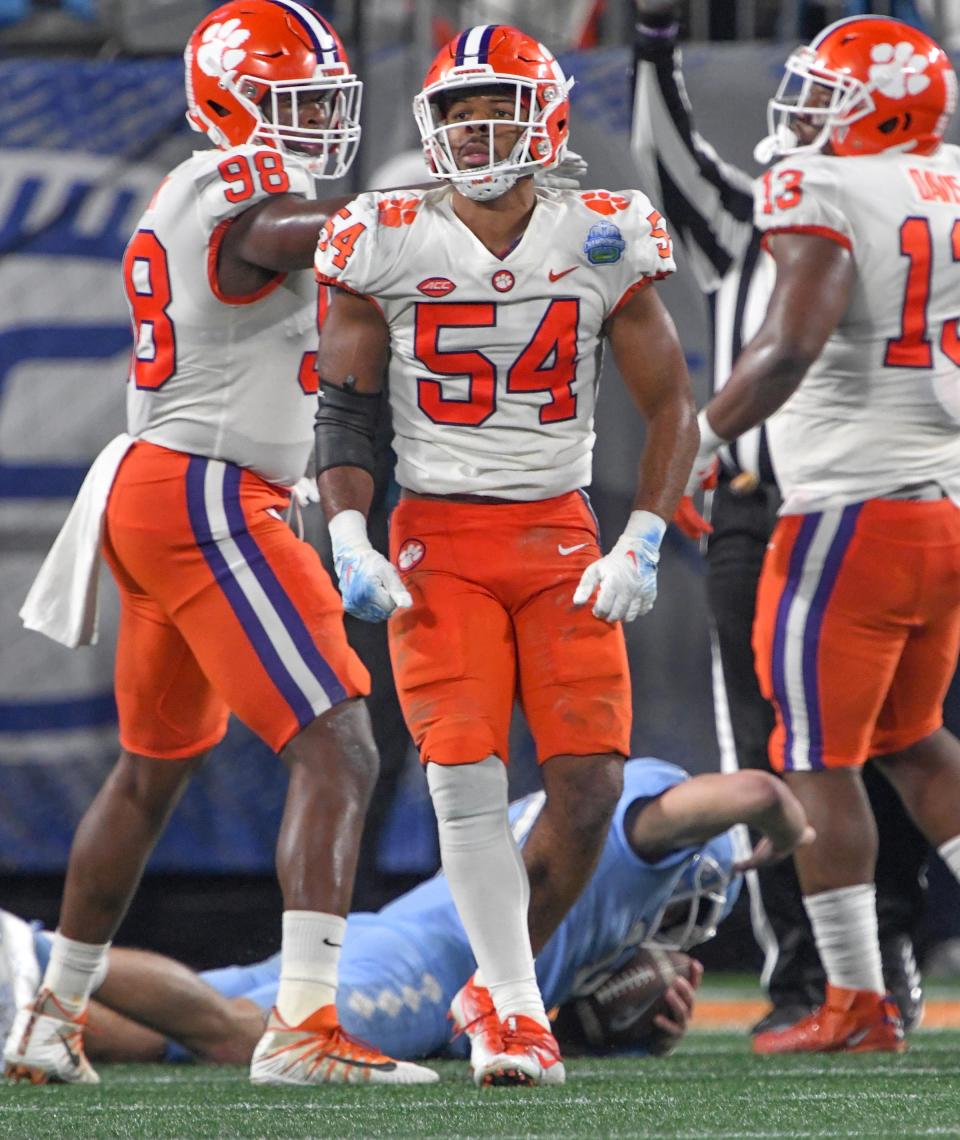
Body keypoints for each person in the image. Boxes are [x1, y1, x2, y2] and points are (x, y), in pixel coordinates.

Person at [4, 0, 442, 1088]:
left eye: (323, 104)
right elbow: (300, 239)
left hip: (171, 493)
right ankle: (303, 1029)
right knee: (339, 741)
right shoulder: (232, 190)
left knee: (153, 773)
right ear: (228, 103)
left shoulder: (213, 186)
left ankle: (51, 1019)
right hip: (206, 498)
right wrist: (435, 214)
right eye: (291, 103)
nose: (314, 124)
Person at [311, 23, 699, 1086]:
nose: (477, 131)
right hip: (439, 532)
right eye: (458, 112)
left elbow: (671, 407)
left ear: (549, 118)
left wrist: (643, 539)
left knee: (588, 786)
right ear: (430, 127)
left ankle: (497, 979)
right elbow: (342, 411)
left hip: (561, 529)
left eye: (498, 109)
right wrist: (348, 532)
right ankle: (520, 1009)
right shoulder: (382, 233)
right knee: (465, 772)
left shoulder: (601, 231)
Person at [631, 0, 929, 1036]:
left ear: (880, 117)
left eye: (830, 102)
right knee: (916, 744)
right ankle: (848, 985)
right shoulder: (935, 183)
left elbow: (791, 344)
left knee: (809, 757)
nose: (802, 118)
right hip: (932, 509)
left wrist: (698, 444)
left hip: (842, 515)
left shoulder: (824, 185)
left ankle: (851, 996)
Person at [0, 759, 812, 1066]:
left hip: (399, 940)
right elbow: (752, 792)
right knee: (237, 1041)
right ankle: (30, 951)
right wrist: (786, 824)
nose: (673, 938)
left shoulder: (593, 826)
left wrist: (611, 1026)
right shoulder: (640, 833)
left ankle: (21, 997)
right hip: (420, 972)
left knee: (158, 1041)